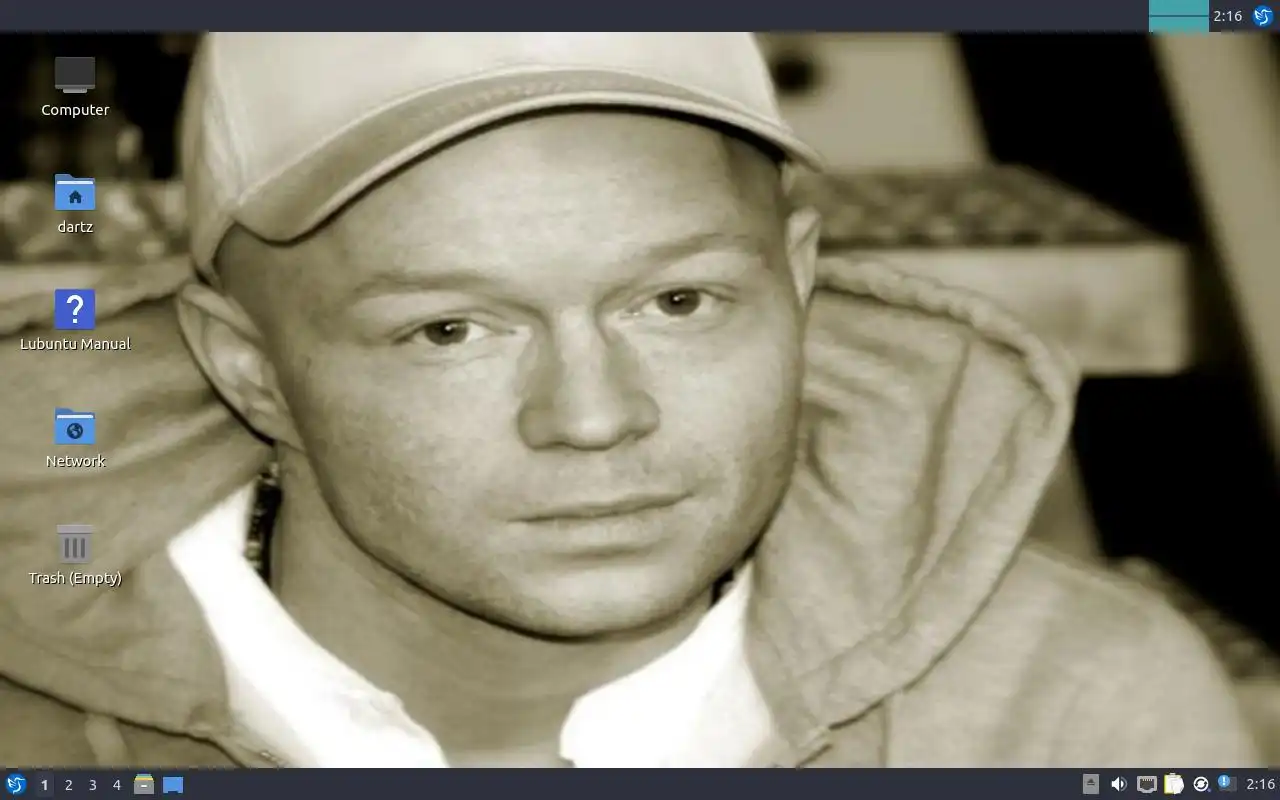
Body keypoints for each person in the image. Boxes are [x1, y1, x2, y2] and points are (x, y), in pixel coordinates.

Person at [0, 33, 1262, 768]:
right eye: (450, 329)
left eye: (676, 302)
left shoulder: (1069, 702)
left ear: (798, 281)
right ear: (248, 366)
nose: (594, 416)